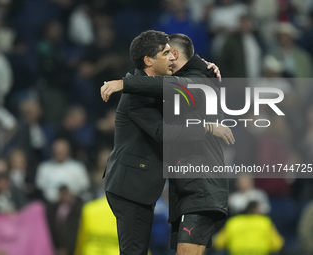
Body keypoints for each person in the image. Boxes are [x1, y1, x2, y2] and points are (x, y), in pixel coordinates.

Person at [102, 32, 234, 255]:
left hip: (198, 187)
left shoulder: (182, 84)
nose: (171, 58)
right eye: (165, 54)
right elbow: (163, 132)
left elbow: (179, 83)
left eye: (173, 54)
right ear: (149, 60)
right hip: (132, 186)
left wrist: (202, 66)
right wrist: (208, 127)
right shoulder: (138, 93)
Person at [214, 201, 284, 255]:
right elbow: (277, 245)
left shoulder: (233, 221)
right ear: (256, 210)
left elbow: (218, 243)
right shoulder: (264, 222)